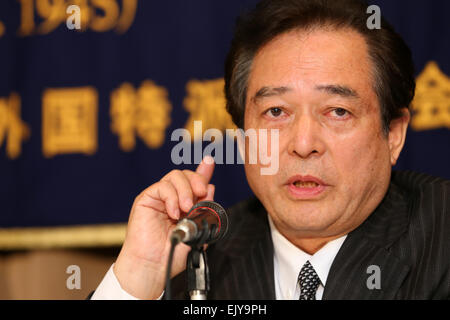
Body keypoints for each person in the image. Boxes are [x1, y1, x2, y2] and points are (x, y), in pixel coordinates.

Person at [91, 0, 450, 299]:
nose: (304, 145)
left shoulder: (441, 237)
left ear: (394, 134)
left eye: (338, 112)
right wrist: (141, 275)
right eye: (276, 112)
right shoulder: (193, 256)